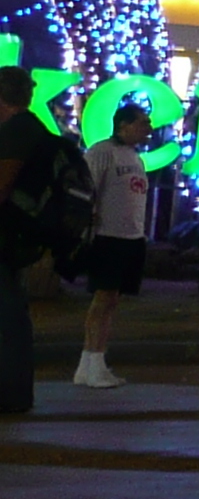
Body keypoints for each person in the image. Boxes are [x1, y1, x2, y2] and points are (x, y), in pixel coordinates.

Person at [74, 100, 154, 389]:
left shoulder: (136, 158)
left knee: (112, 299)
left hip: (131, 236)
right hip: (108, 236)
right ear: (124, 125)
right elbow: (86, 190)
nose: (148, 129)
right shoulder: (102, 153)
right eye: (142, 123)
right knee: (102, 298)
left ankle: (94, 362)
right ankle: (91, 360)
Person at [0, 66, 57, 414]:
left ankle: (11, 390)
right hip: (22, 233)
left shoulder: (15, 133)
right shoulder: (36, 128)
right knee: (11, 311)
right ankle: (15, 389)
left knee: (7, 314)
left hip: (6, 233)